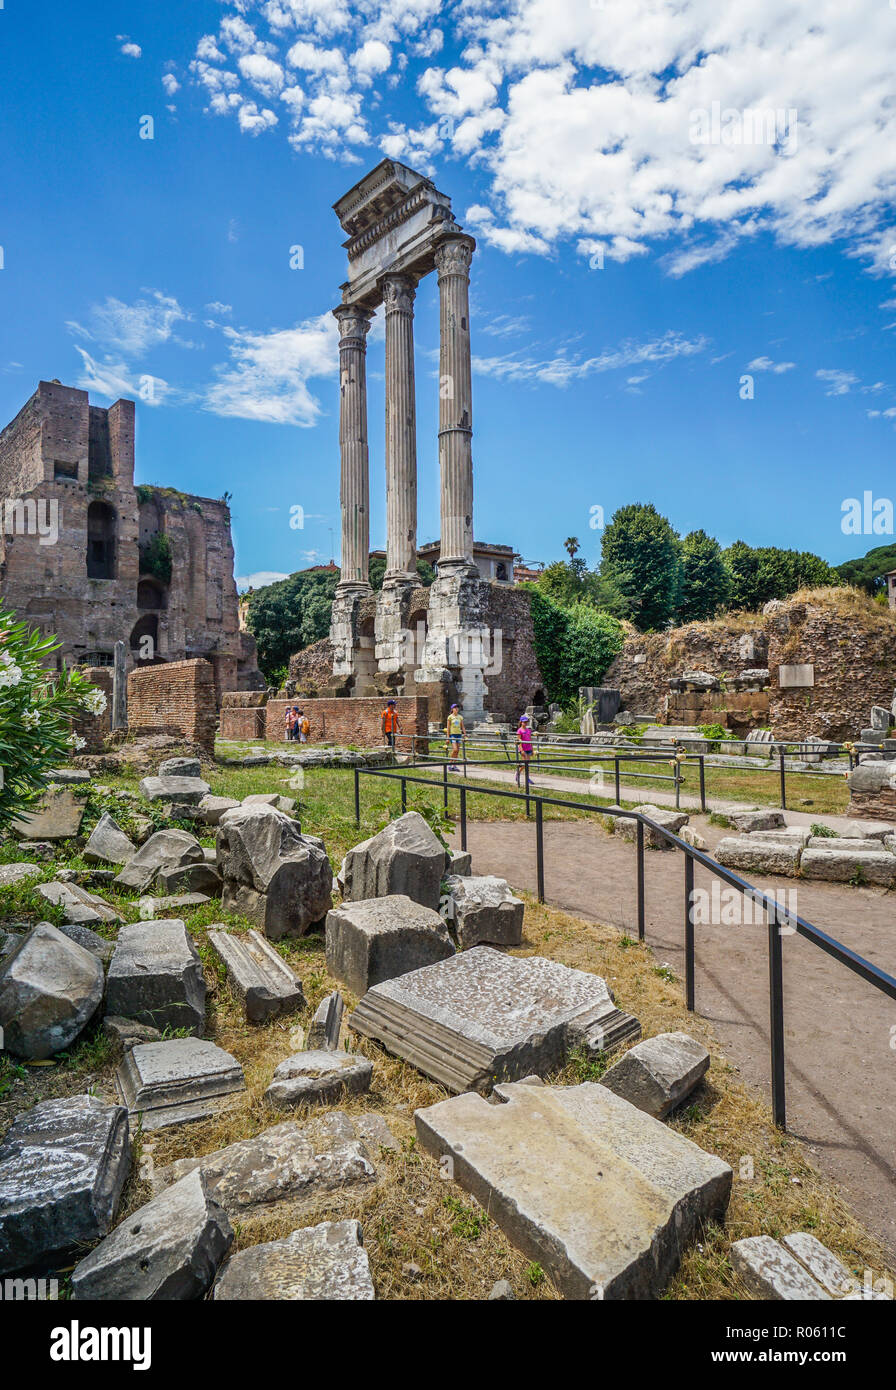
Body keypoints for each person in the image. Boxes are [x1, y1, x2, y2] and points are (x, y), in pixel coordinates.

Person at [446, 703, 466, 772]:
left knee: (457, 751)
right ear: (452, 709)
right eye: (455, 707)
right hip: (453, 735)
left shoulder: (460, 717)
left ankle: (454, 765)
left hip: (459, 735)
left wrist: (465, 734)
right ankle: (449, 763)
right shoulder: (450, 717)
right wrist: (448, 738)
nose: (456, 708)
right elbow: (448, 728)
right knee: (455, 749)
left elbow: (462, 726)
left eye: (457, 707)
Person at [516, 713, 534, 786]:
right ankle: (519, 774)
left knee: (527, 764)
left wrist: (532, 749)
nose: (526, 723)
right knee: (525, 764)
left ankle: (525, 776)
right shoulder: (519, 731)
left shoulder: (528, 730)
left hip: (529, 748)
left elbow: (530, 740)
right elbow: (519, 741)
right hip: (523, 749)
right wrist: (521, 750)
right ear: (521, 722)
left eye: (526, 722)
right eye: (524, 722)